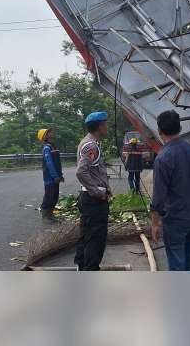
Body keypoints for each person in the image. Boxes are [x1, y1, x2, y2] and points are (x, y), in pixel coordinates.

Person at [150, 110, 190, 271]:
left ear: (160, 131)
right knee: (189, 261)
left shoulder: (163, 157)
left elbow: (158, 196)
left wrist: (155, 223)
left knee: (177, 264)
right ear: (180, 128)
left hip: (175, 221)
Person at [74, 111, 112, 271]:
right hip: (94, 200)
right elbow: (81, 171)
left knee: (87, 235)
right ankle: (90, 270)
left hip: (88, 198)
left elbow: (92, 171)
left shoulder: (88, 142)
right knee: (95, 238)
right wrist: (98, 191)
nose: (107, 126)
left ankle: (82, 265)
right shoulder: (91, 145)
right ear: (100, 126)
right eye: (106, 124)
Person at [38, 128, 64, 220]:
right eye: (49, 132)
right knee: (49, 196)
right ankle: (46, 214)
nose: (52, 133)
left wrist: (60, 175)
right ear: (45, 136)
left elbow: (57, 163)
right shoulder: (47, 148)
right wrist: (55, 176)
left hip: (56, 177)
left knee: (55, 196)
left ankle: (50, 214)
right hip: (50, 178)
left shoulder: (53, 147)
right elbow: (49, 164)